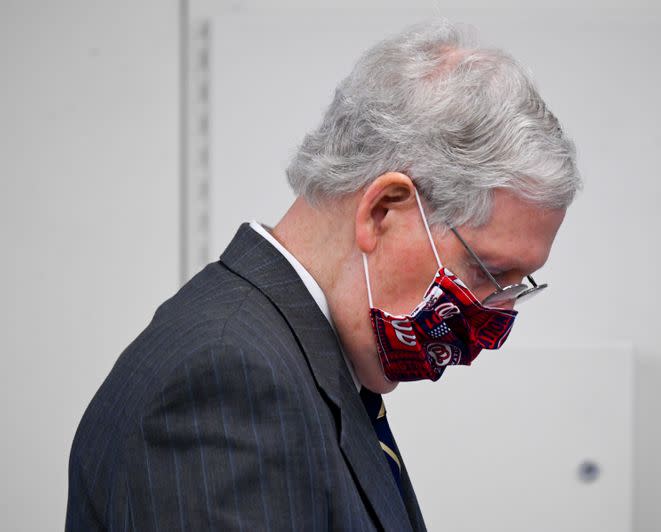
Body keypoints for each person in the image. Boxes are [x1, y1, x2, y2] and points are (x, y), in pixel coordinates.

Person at [66, 18, 580, 531]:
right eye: (488, 271)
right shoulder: (229, 379)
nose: (495, 322)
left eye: (519, 286)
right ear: (382, 210)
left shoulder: (300, 365)